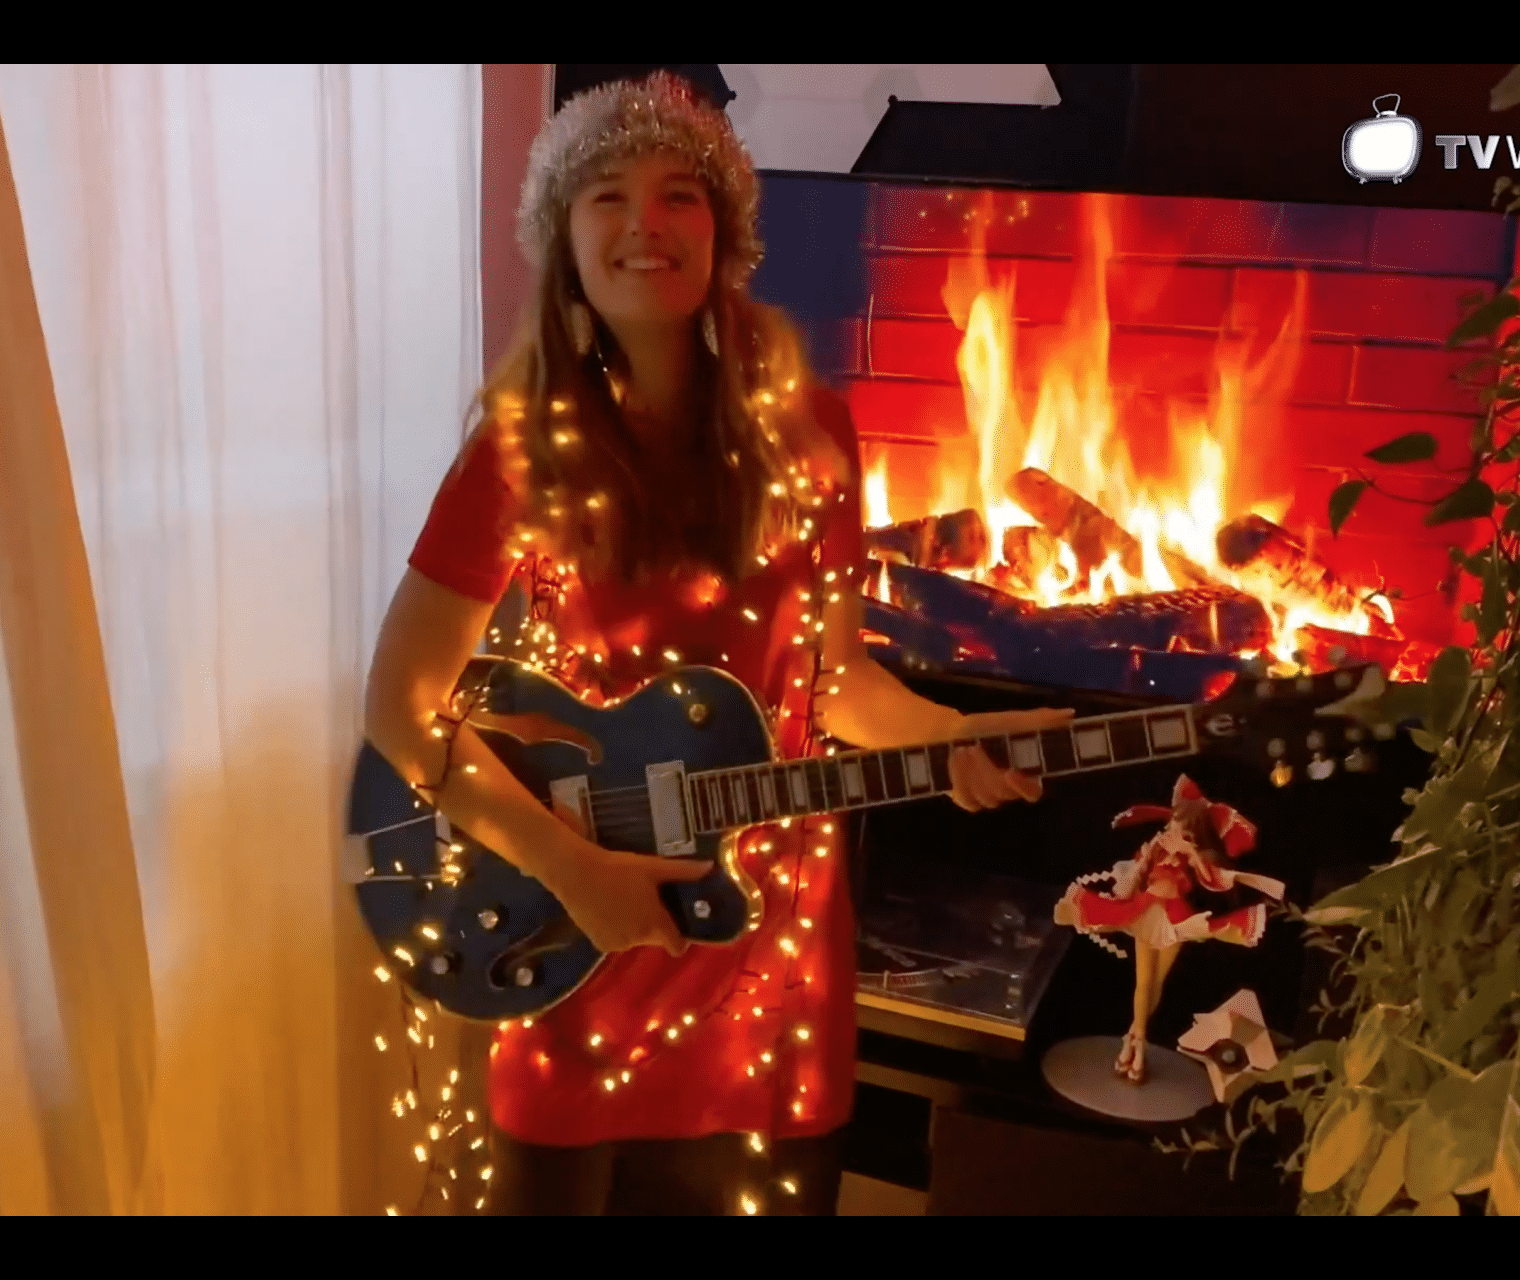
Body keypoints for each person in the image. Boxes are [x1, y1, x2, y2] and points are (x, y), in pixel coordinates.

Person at [363, 71, 1070, 1216]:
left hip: (769, 974)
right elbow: (399, 705)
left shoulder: (814, 430)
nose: (643, 222)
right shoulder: (520, 449)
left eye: (677, 193)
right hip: (581, 940)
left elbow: (835, 682)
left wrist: (949, 737)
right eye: (606, 194)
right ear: (563, 237)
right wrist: (574, 871)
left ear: (723, 230)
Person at [1053, 774, 1283, 1084]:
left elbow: (1212, 880)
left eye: (1183, 828)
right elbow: (1132, 881)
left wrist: (1190, 853)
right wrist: (1143, 861)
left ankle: (1133, 1042)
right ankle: (1136, 1044)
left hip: (1175, 920)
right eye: (1173, 823)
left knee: (1156, 982)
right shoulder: (1156, 850)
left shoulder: (1192, 857)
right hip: (1144, 911)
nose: (1174, 831)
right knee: (1143, 983)